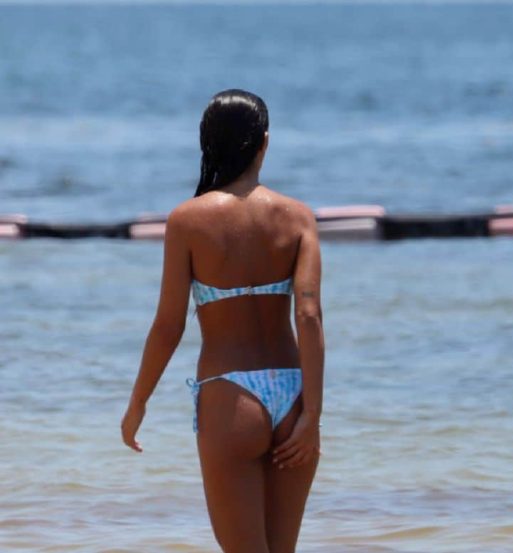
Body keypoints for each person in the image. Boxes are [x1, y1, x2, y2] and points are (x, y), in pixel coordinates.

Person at [121, 89, 325, 553]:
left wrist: (138, 403)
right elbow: (309, 316)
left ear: (206, 145)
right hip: (293, 395)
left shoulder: (187, 221)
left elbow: (168, 325)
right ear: (264, 144)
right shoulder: (298, 219)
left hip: (229, 398)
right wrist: (312, 415)